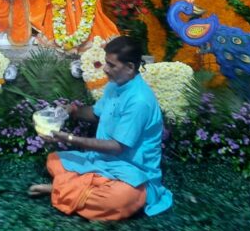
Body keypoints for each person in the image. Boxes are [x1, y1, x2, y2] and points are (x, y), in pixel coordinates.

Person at [29, 36, 173, 220]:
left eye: (111, 65)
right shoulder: (115, 86)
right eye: (106, 62)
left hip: (133, 171)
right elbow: (97, 113)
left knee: (118, 198)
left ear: (130, 67)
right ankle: (85, 187)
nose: (105, 69)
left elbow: (117, 147)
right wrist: (72, 110)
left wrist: (69, 138)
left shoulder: (139, 101)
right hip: (103, 161)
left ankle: (60, 189)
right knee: (54, 160)